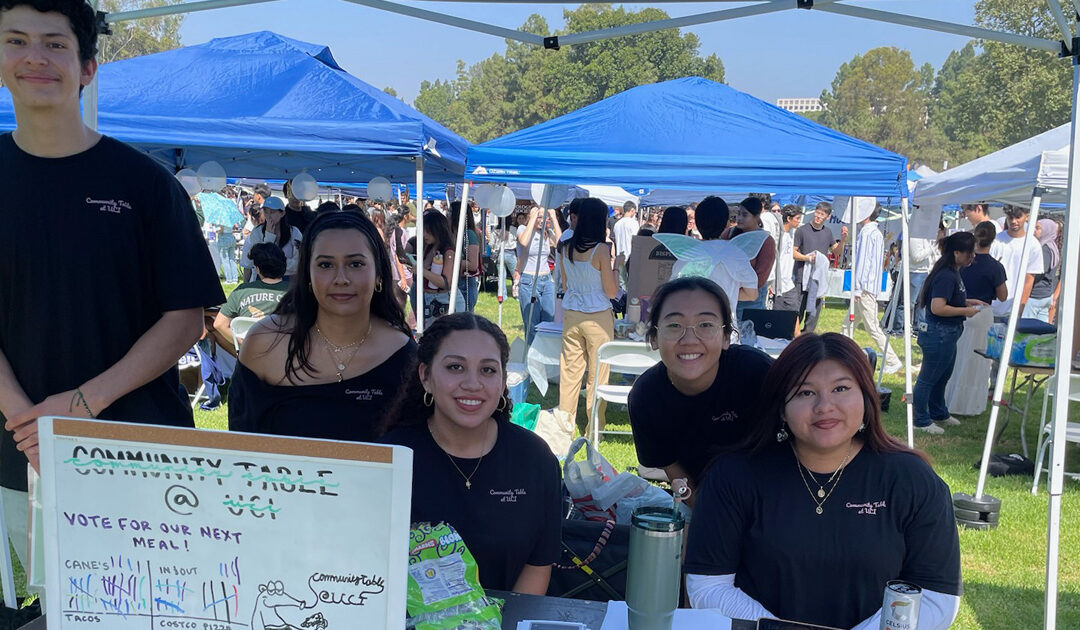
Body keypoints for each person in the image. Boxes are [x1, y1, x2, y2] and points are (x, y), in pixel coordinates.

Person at [0, 0, 225, 569]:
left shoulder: (146, 184)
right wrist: (30, 423)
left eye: (55, 44)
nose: (35, 58)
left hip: (139, 446)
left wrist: (80, 405)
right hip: (17, 449)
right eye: (16, 40)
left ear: (88, 67)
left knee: (150, 594)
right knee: (37, 598)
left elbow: (184, 317)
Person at [685, 333, 961, 629]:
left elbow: (935, 596)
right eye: (805, 392)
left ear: (867, 398)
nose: (824, 406)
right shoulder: (733, 477)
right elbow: (708, 586)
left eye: (841, 388)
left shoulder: (912, 480)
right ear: (782, 408)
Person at [379, 313, 561, 594]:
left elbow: (537, 567)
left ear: (502, 381)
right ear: (425, 376)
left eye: (487, 370)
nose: (473, 384)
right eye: (455, 367)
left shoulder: (535, 459)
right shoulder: (390, 458)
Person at [229, 212, 416, 442]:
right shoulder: (265, 343)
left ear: (378, 272)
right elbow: (239, 447)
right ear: (307, 272)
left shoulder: (402, 353)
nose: (341, 278)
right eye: (325, 264)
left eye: (355, 264)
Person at [628, 277, 773, 498]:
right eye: (674, 325)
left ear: (726, 337)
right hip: (707, 499)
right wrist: (707, 519)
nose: (689, 339)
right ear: (654, 336)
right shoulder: (647, 396)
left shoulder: (758, 374)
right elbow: (676, 475)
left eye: (705, 325)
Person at [556, 198, 618, 433]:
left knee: (570, 371)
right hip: (598, 315)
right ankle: (594, 426)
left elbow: (565, 282)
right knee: (598, 374)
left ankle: (565, 424)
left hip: (572, 313)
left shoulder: (565, 247)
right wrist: (615, 265)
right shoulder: (602, 249)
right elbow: (611, 291)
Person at [913, 232, 981, 434]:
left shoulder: (951, 272)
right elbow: (938, 307)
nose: (973, 257)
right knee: (929, 377)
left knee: (943, 375)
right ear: (957, 253)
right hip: (939, 332)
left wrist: (968, 302)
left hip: (948, 332)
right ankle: (920, 419)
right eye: (970, 254)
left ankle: (938, 411)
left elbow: (948, 300)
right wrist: (966, 311)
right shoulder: (946, 275)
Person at [944, 222, 1007, 416]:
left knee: (956, 358)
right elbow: (1003, 295)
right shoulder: (995, 266)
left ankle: (949, 399)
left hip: (960, 310)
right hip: (981, 313)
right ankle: (971, 404)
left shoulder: (961, 263)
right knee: (978, 362)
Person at [213, 243, 290, 356]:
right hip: (286, 358)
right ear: (284, 265)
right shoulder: (296, 292)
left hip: (250, 359)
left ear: (258, 269)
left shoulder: (242, 291)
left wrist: (242, 344)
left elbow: (219, 324)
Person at [851, 204, 903, 374]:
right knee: (848, 324)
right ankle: (842, 354)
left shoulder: (867, 233)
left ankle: (892, 360)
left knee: (872, 326)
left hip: (864, 287)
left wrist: (858, 288)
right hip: (868, 285)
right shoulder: (875, 232)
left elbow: (863, 262)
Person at [793, 201, 847, 333]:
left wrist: (843, 240)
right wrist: (808, 258)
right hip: (801, 277)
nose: (818, 216)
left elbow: (836, 252)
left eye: (822, 215)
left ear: (827, 217)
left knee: (813, 314)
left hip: (817, 279)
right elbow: (793, 253)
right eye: (817, 213)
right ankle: (794, 336)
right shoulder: (802, 230)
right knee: (797, 311)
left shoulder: (827, 233)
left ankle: (808, 336)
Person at [721, 197, 776, 319]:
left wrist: (738, 290)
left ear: (757, 216)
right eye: (738, 214)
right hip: (727, 296)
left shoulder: (765, 241)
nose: (739, 218)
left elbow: (760, 279)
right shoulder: (728, 234)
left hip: (751, 301)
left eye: (744, 215)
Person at [514, 205, 561, 344]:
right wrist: (533, 217)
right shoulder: (523, 229)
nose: (542, 220)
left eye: (544, 217)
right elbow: (523, 242)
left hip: (546, 279)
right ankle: (531, 356)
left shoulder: (546, 232)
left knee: (549, 321)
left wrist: (553, 218)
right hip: (529, 280)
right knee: (531, 324)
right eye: (540, 217)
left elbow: (561, 242)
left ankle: (545, 357)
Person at [992, 204, 1044, 321]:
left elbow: (1029, 279)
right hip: (991, 307)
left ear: (1027, 216)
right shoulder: (996, 240)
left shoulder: (1033, 245)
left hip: (1012, 309)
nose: (1014, 221)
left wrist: (1019, 310)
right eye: (1010, 218)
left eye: (1018, 217)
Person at [240, 196, 302, 280]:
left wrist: (274, 263)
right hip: (263, 280)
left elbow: (297, 264)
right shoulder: (257, 232)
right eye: (265, 211)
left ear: (282, 213)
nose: (268, 216)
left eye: (272, 212)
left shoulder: (294, 232)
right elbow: (261, 261)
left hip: (287, 280)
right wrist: (269, 236)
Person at [420, 211, 466, 319]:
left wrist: (422, 271)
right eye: (423, 230)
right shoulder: (429, 248)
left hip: (445, 301)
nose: (424, 234)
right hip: (430, 300)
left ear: (437, 230)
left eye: (428, 231)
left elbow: (446, 283)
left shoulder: (448, 252)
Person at [1023, 218, 1061, 323]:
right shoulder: (1053, 247)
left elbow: (1038, 272)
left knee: (1026, 331)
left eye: (1038, 228)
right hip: (1046, 295)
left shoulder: (1044, 249)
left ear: (1047, 230)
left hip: (1036, 295)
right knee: (1040, 334)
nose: (1034, 230)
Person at [449, 201, 482, 311]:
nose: (447, 214)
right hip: (451, 280)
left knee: (463, 321)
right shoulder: (450, 233)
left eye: (450, 212)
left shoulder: (468, 234)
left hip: (465, 284)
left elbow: (473, 265)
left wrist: (450, 261)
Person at [772, 205, 803, 313]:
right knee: (777, 317)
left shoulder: (792, 233)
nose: (799, 221)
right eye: (797, 218)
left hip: (789, 283)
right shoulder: (778, 235)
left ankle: (796, 330)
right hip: (777, 284)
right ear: (789, 219)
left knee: (794, 312)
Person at [612, 200, 639, 287]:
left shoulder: (617, 224)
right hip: (631, 256)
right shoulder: (633, 223)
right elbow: (636, 239)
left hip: (619, 256)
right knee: (632, 285)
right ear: (632, 210)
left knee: (622, 285)